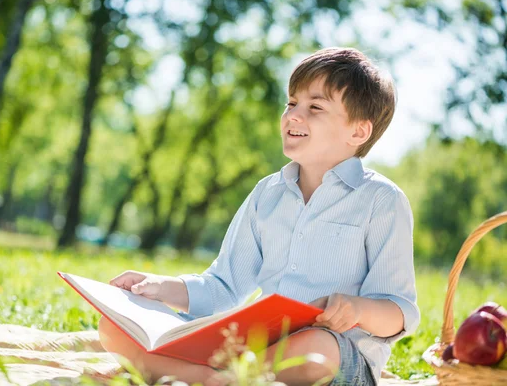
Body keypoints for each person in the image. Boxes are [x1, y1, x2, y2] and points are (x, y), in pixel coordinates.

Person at [99, 47, 420, 386]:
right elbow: (223, 287)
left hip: (337, 356)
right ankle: (219, 379)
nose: (294, 115)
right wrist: (159, 287)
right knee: (116, 327)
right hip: (257, 347)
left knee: (315, 349)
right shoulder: (267, 194)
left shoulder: (381, 200)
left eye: (315, 107)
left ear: (357, 132)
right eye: (291, 103)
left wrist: (358, 310)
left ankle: (199, 376)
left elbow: (401, 311)